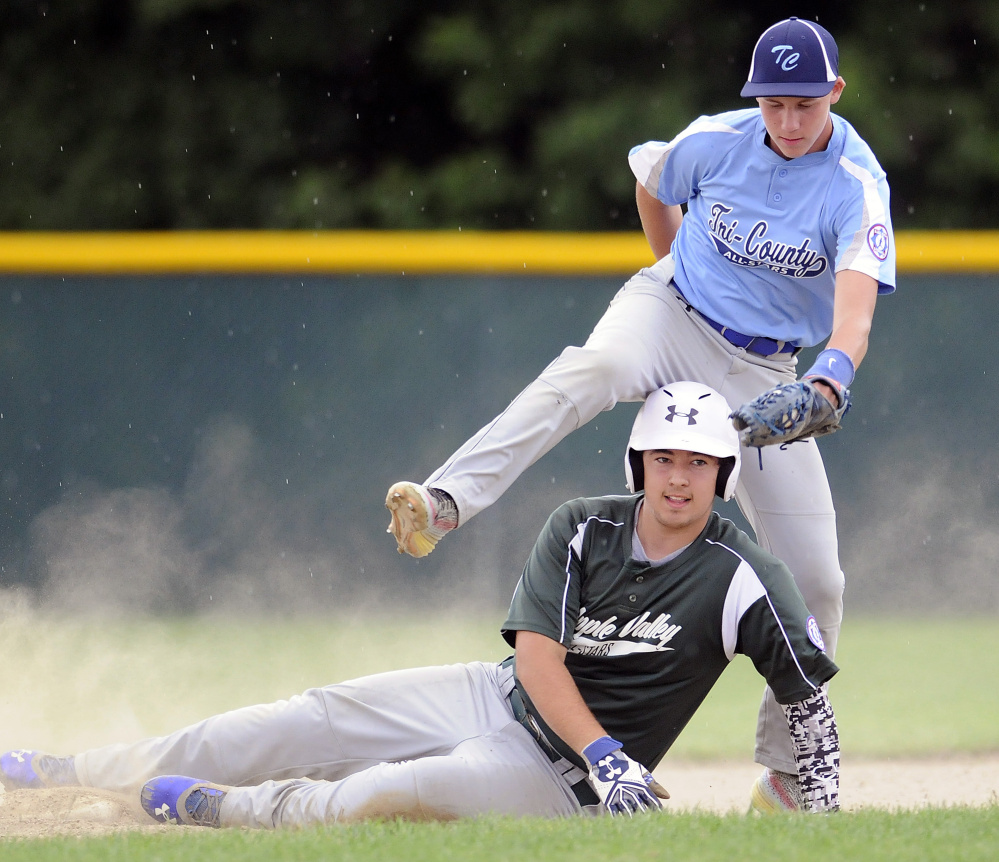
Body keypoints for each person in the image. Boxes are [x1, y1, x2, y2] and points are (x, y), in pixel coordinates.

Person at [384, 17, 894, 808]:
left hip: (763, 371)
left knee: (818, 582)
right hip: (670, 310)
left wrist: (824, 386)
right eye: (772, 104)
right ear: (754, 99)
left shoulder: (854, 183)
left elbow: (853, 319)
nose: (787, 121)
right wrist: (668, 265)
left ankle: (786, 778)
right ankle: (446, 500)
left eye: (803, 103)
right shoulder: (716, 140)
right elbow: (653, 185)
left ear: (833, 92)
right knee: (597, 368)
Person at [1, 383, 840, 826]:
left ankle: (232, 812)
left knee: (392, 794)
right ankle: (72, 772)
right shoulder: (581, 528)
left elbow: (806, 696)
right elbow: (538, 658)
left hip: (557, 780)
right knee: (303, 720)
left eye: (696, 462)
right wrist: (611, 751)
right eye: (663, 458)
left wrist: (826, 808)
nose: (678, 476)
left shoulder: (741, 573)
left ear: (721, 473)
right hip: (501, 694)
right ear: (638, 464)